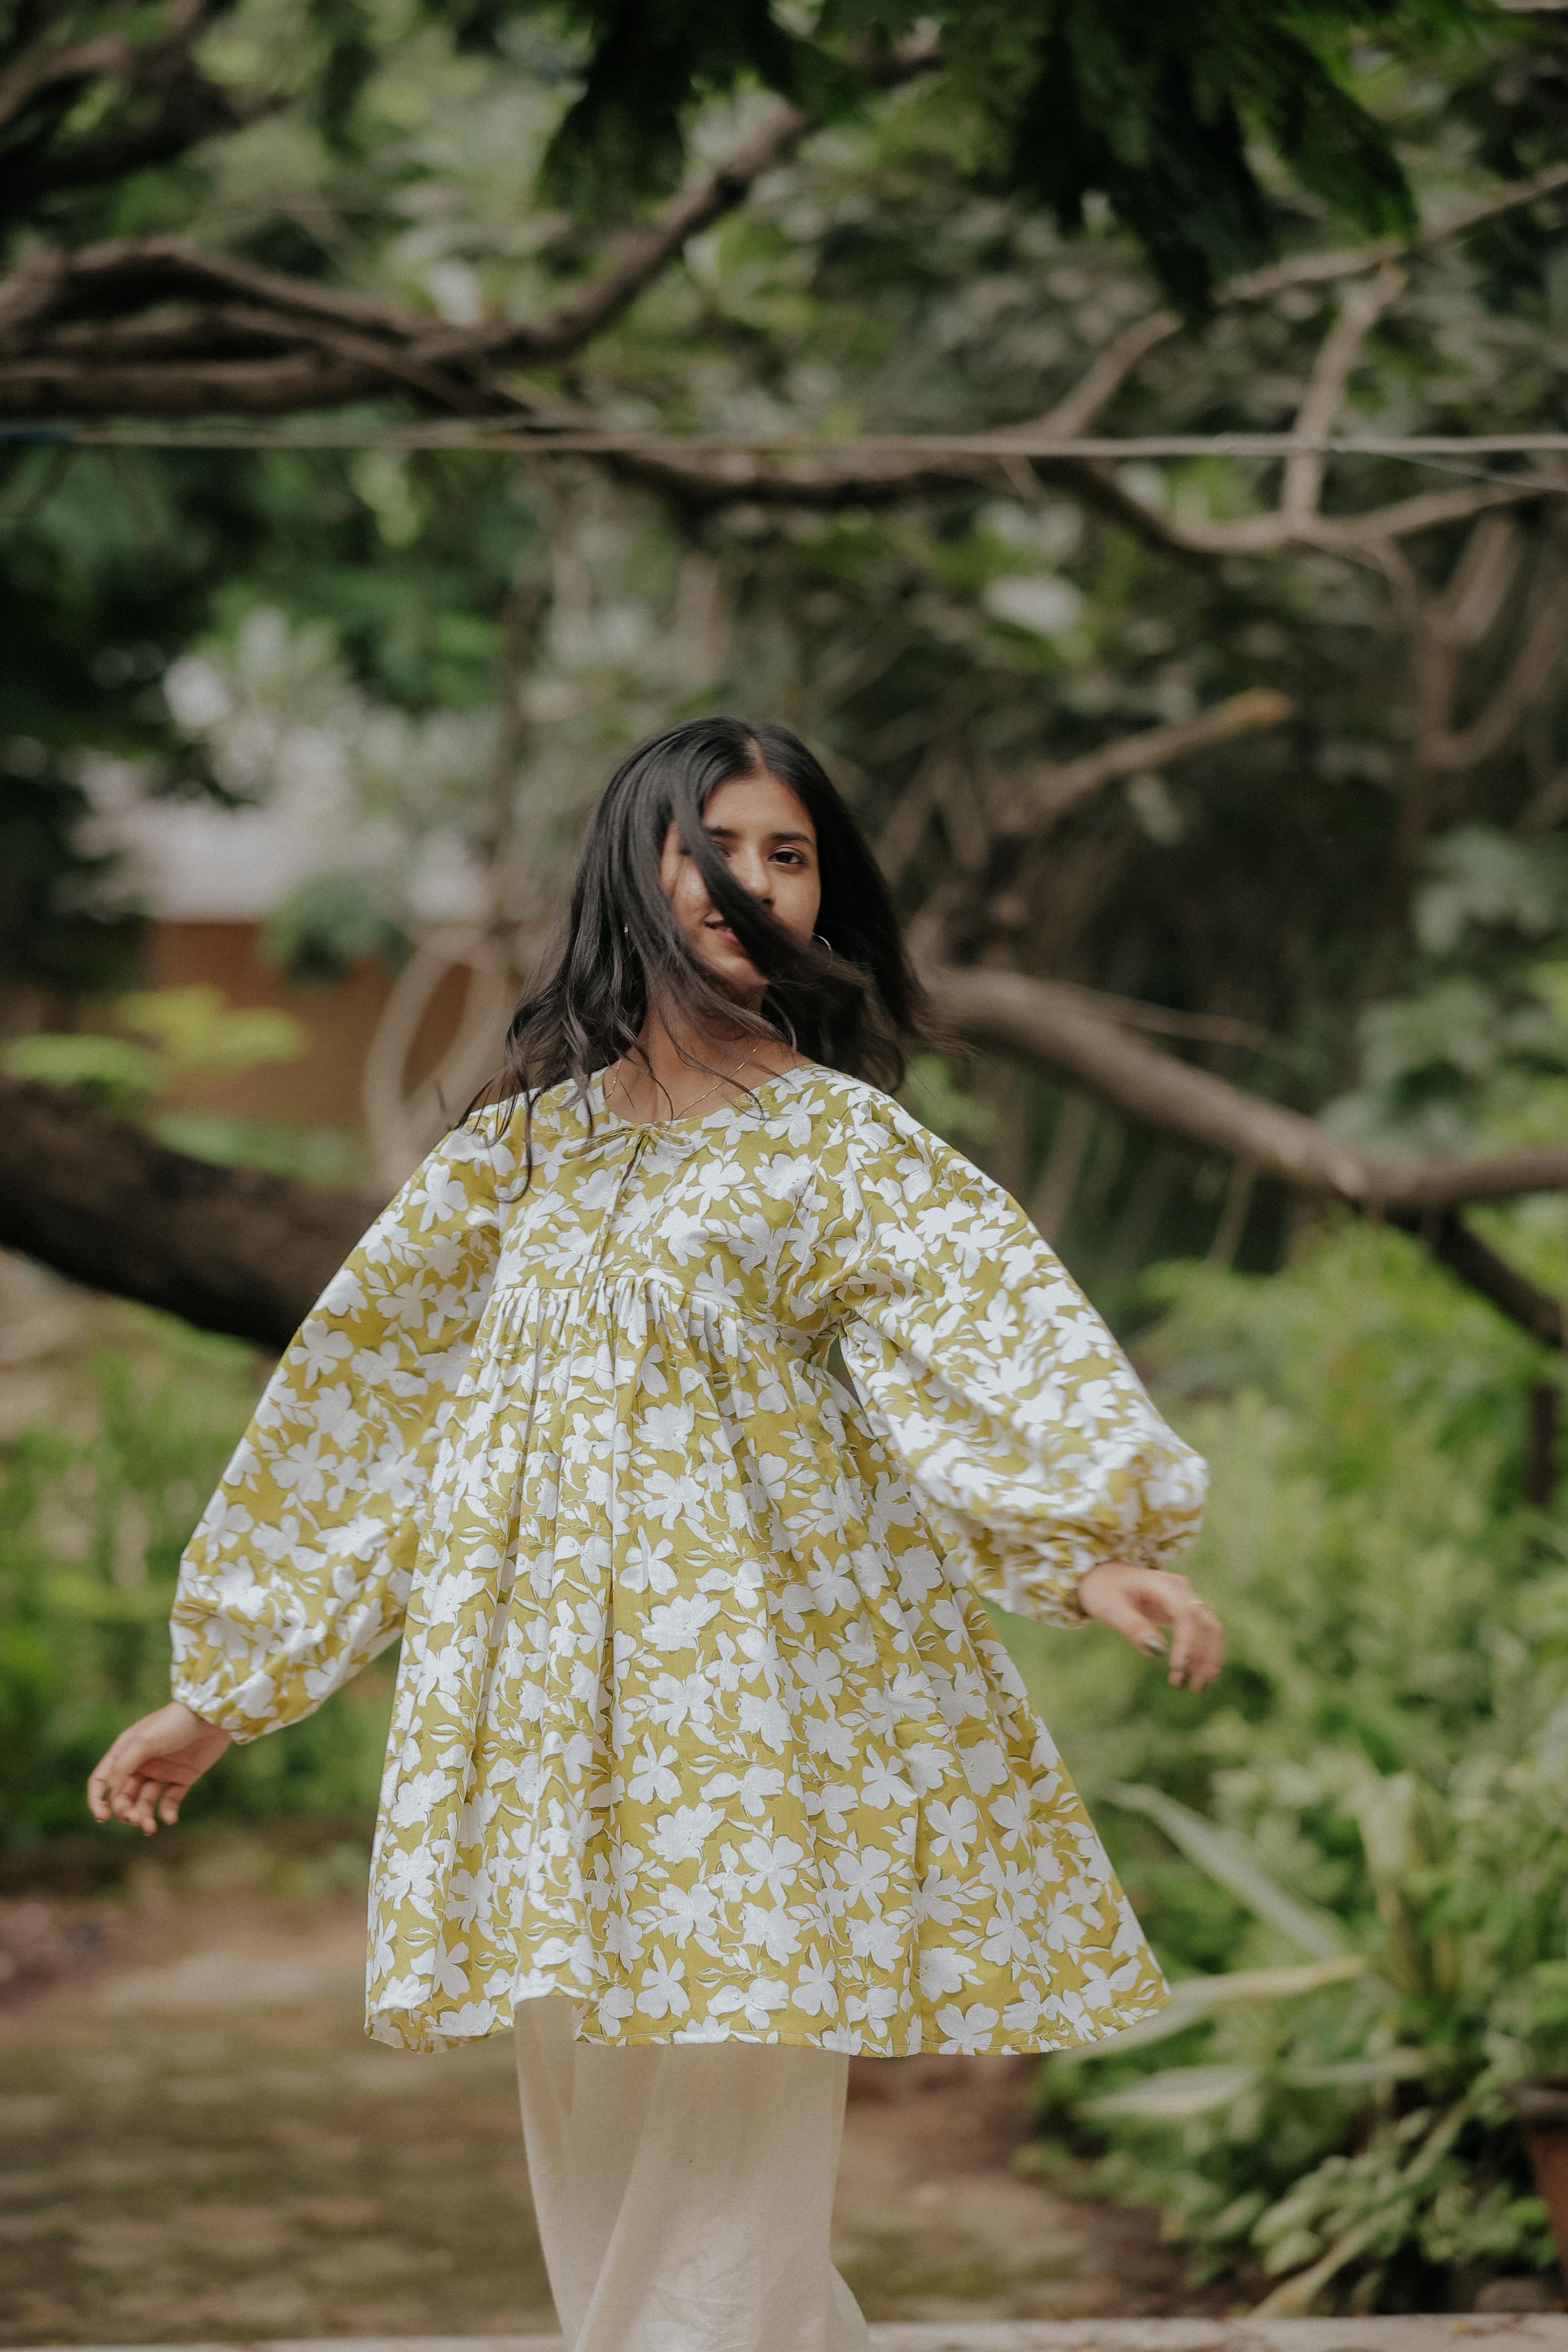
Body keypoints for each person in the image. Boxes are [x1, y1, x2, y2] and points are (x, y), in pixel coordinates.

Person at [89, 715, 1221, 2352]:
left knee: (727, 2199)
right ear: (638, 865)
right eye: (722, 847)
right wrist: (231, 1691)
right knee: (612, 2180)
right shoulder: (513, 1163)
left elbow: (975, 1352)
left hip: (762, 1733)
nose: (754, 882)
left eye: (791, 854)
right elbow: (373, 1423)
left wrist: (1093, 1546)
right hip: (551, 1734)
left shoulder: (846, 1148)